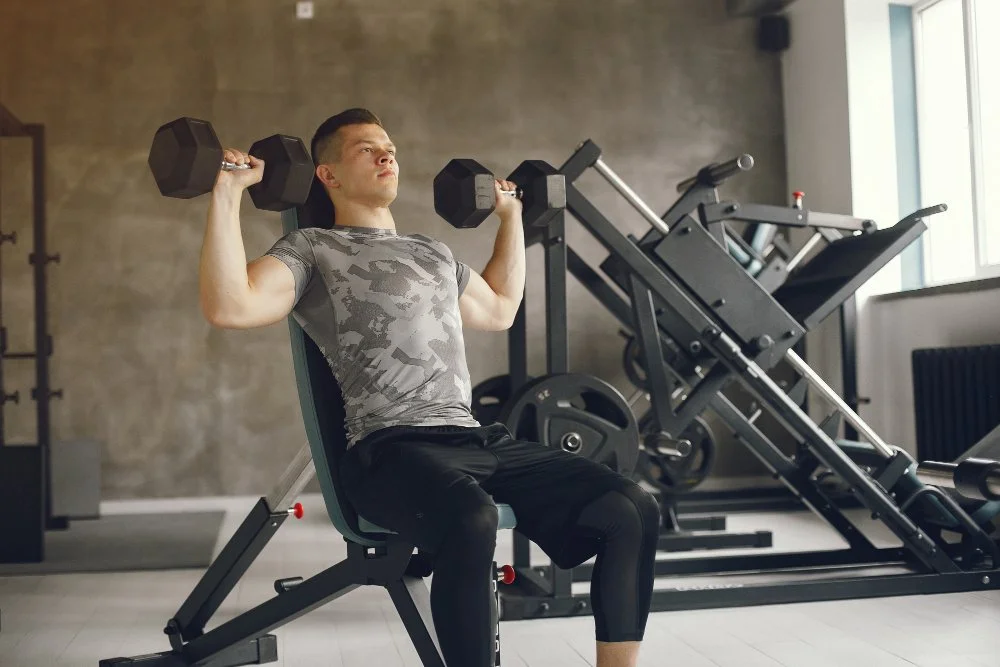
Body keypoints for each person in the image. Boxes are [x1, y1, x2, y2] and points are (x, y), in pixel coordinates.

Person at [200, 108, 659, 667]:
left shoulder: (433, 252)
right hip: (389, 451)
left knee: (631, 507)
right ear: (328, 174)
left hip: (473, 439)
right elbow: (231, 305)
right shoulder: (313, 248)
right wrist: (227, 191)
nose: (386, 155)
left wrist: (511, 217)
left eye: (389, 147)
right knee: (472, 517)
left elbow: (500, 309)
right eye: (366, 149)